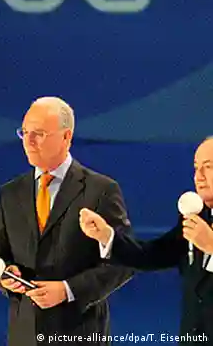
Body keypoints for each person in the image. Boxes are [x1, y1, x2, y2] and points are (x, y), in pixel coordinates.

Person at [0, 97, 134, 346]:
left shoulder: (101, 190)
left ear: (66, 137)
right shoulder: (9, 193)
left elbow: (125, 262)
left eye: (39, 134)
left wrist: (67, 290)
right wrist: (5, 276)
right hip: (25, 336)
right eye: (24, 132)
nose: (28, 141)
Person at [79, 137, 213, 340]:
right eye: (196, 168)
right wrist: (107, 236)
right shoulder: (196, 217)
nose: (198, 176)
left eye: (208, 167)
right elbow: (153, 254)